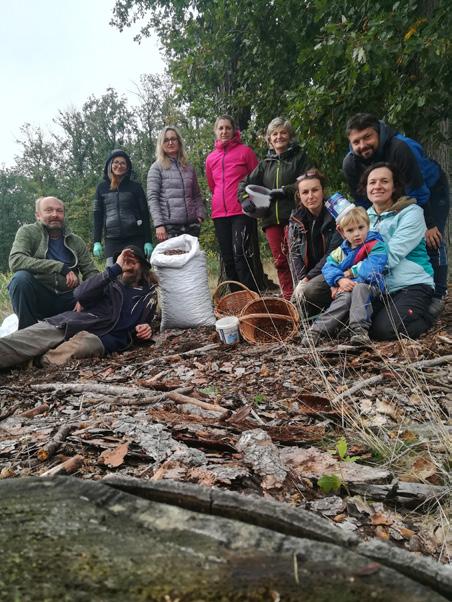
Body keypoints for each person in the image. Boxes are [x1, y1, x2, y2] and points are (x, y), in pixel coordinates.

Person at [343, 113, 450, 315]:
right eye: (356, 141)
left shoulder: (399, 148)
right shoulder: (350, 163)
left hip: (430, 189)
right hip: (388, 190)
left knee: (432, 238)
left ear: (379, 133)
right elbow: (363, 201)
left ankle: (438, 294)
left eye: (367, 137)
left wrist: (429, 223)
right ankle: (396, 287)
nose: (362, 145)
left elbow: (418, 190)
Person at [0, 246, 158, 370]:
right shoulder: (109, 281)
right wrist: (114, 269)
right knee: (24, 340)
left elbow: (142, 325)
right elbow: (80, 294)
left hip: (100, 338)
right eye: (124, 261)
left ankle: (31, 362)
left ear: (143, 267)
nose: (128, 265)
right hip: (73, 322)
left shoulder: (148, 296)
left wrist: (145, 329)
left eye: (133, 261)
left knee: (76, 349)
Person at [238, 117, 311, 299]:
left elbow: (309, 180)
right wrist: (245, 199)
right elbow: (244, 183)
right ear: (269, 139)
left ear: (290, 136)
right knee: (280, 261)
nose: (279, 137)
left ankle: (304, 296)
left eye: (283, 133)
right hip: (270, 219)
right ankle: (288, 299)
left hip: (295, 217)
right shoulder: (265, 164)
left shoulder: (300, 158)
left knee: (298, 258)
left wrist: (284, 191)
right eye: (274, 134)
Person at [361, 163, 435, 340]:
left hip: (412, 285)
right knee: (356, 324)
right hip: (380, 288)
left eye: (384, 181)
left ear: (394, 186)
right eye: (372, 182)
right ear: (366, 188)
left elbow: (390, 256)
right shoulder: (363, 216)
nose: (377, 186)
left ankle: (427, 316)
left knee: (384, 331)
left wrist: (354, 272)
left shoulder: (412, 213)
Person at [8, 196, 99, 330]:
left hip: (69, 299)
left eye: (59, 211)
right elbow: (15, 260)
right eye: (49, 210)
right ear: (38, 215)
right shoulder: (28, 232)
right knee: (20, 279)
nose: (55, 215)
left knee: (103, 287)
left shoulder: (76, 241)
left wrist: (85, 296)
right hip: (41, 298)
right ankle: (28, 333)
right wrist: (59, 267)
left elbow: (91, 272)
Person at [301, 207, 388, 346]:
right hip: (347, 288)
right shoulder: (341, 251)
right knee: (345, 298)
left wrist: (351, 278)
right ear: (342, 232)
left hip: (372, 288)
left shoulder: (376, 246)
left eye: (361, 227)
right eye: (350, 230)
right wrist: (339, 280)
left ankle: (359, 331)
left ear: (368, 226)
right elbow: (328, 267)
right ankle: (315, 331)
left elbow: (371, 270)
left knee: (359, 289)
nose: (357, 234)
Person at [205, 115, 262, 292]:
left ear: (234, 130)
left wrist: (251, 203)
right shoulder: (210, 158)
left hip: (242, 212)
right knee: (228, 258)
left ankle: (252, 298)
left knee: (241, 256)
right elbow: (212, 186)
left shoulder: (246, 152)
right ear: (215, 131)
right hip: (219, 213)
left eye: (227, 128)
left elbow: (256, 180)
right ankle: (236, 300)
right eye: (220, 128)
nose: (224, 131)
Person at [288, 169, 343, 317]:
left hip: (333, 270)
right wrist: (300, 280)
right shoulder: (295, 218)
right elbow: (293, 254)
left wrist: (307, 279)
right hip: (308, 274)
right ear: (299, 196)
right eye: (305, 192)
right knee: (296, 304)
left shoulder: (335, 215)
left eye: (315, 190)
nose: (310, 196)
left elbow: (333, 253)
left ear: (323, 191)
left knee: (309, 291)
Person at [93, 149, 152, 265]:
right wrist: (96, 241)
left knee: (138, 274)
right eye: (116, 162)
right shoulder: (101, 188)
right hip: (112, 240)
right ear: (110, 165)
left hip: (135, 238)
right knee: (112, 276)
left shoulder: (135, 187)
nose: (119, 165)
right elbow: (97, 215)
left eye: (123, 163)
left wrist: (148, 241)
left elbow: (145, 214)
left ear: (127, 166)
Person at [147, 126, 205, 243]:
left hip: (192, 225)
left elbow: (196, 195)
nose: (170, 142)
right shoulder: (156, 168)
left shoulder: (189, 167)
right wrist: (159, 225)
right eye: (166, 140)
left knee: (192, 261)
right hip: (169, 228)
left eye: (173, 139)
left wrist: (199, 215)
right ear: (161, 144)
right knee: (173, 260)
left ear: (179, 141)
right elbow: (153, 198)